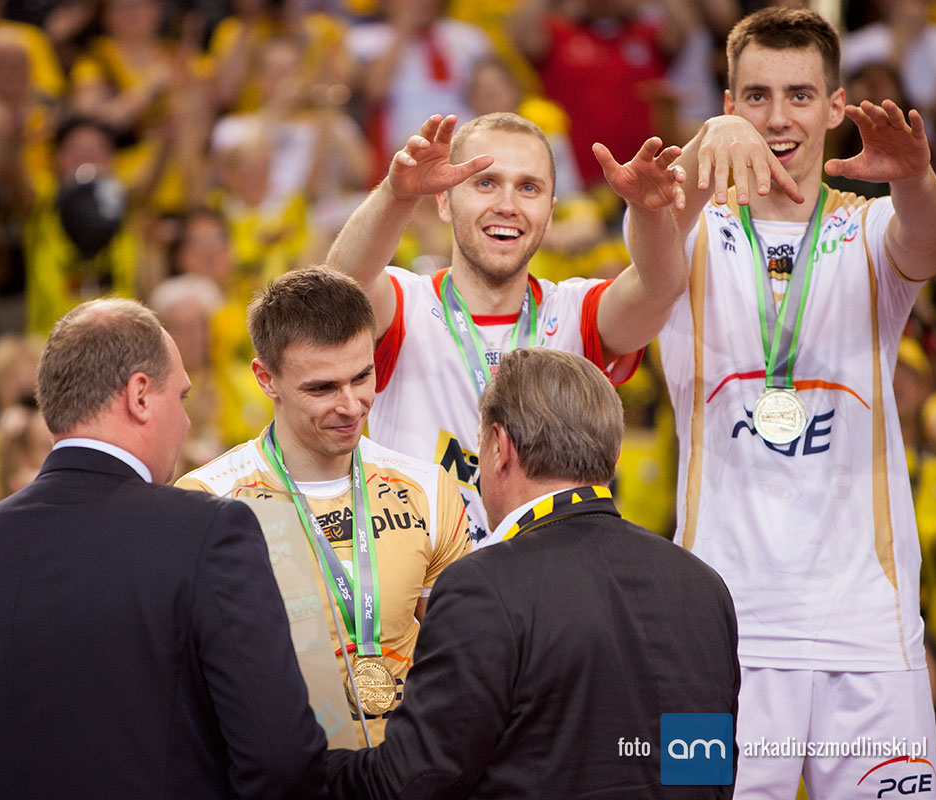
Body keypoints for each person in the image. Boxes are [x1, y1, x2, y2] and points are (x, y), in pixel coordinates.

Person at [660, 7, 936, 795]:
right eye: (756, 96)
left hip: (869, 634)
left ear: (835, 107)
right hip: (716, 637)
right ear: (728, 105)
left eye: (800, 95)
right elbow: (648, 231)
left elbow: (927, 240)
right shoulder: (691, 232)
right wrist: (700, 149)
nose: (778, 117)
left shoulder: (871, 228)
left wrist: (916, 176)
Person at [0, 298, 327, 799]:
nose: (185, 422)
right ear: (140, 396)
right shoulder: (209, 533)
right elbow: (281, 759)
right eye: (180, 397)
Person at [325, 347, 739, 799]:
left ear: (499, 448)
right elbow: (707, 768)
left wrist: (307, 767)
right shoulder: (703, 586)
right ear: (615, 455)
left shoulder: (482, 587)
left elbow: (413, 781)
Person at [325, 111, 688, 545]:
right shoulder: (406, 304)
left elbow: (659, 288)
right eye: (485, 183)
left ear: (550, 213)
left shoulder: (576, 311)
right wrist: (397, 194)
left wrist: (649, 212)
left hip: (546, 575)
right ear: (444, 201)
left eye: (528, 188)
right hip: (425, 583)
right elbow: (343, 284)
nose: (507, 205)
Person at [176, 268, 470, 745]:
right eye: (322, 388)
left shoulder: (428, 487)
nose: (351, 406)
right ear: (266, 379)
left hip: (408, 765)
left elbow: (460, 658)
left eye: (363, 376)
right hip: (288, 770)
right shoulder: (207, 499)